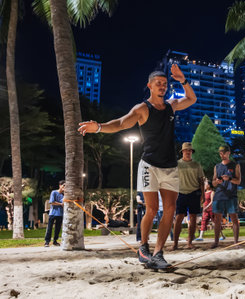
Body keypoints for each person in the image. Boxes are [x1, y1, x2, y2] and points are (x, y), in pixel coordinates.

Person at [78, 64, 197, 269]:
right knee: (151, 209)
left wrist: (183, 81)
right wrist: (97, 127)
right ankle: (143, 247)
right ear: (149, 86)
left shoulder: (171, 105)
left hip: (170, 167)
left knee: (169, 209)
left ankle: (159, 253)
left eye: (165, 84)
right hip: (149, 165)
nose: (162, 86)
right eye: (158, 84)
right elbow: (120, 123)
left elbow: (192, 99)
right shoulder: (142, 108)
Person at [172, 142, 205, 250]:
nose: (188, 152)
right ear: (182, 152)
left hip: (194, 192)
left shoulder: (197, 164)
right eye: (186, 150)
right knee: (178, 218)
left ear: (192, 152)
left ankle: (189, 242)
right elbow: (172, 179)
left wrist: (203, 194)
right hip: (180, 193)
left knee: (193, 218)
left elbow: (201, 180)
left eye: (190, 150)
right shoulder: (177, 164)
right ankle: (175, 243)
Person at [211, 145, 241, 248]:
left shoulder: (235, 165)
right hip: (219, 194)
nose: (222, 155)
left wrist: (229, 179)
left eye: (223, 153)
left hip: (231, 195)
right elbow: (213, 183)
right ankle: (216, 242)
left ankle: (236, 242)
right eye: (220, 153)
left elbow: (238, 181)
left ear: (228, 153)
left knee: (234, 218)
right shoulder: (217, 166)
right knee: (217, 219)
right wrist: (217, 181)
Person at [44, 180, 65, 247]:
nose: (64, 187)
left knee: (58, 229)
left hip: (60, 214)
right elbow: (52, 202)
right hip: (53, 213)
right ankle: (47, 242)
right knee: (49, 228)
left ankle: (55, 241)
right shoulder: (54, 192)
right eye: (63, 185)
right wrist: (60, 204)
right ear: (60, 185)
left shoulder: (64, 195)